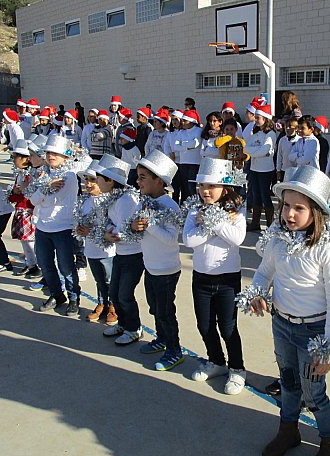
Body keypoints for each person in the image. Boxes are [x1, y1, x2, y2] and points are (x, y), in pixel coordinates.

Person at [240, 165, 330, 456]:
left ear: (317, 213)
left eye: (299, 208)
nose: (289, 214)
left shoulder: (327, 249)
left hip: (314, 332)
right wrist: (258, 293)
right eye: (286, 205)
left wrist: (329, 347)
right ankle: (288, 431)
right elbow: (264, 272)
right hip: (282, 325)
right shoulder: (278, 240)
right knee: (288, 382)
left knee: (314, 392)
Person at [183, 158, 247, 394]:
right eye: (201, 186)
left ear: (225, 188)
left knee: (228, 327)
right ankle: (217, 361)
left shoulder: (237, 210)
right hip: (201, 278)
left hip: (228, 279)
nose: (205, 191)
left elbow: (237, 238)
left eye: (211, 186)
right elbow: (189, 240)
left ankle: (238, 369)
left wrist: (209, 223)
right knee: (205, 325)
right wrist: (217, 226)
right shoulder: (193, 209)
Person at [128, 150, 184, 371]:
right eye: (138, 176)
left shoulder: (170, 206)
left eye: (143, 177)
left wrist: (148, 224)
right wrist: (134, 226)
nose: (137, 181)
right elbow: (136, 230)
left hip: (166, 270)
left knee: (165, 311)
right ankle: (162, 338)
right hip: (151, 266)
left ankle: (174, 349)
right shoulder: (144, 202)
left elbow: (171, 239)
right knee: (154, 308)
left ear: (159, 180)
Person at [29, 134, 81, 316]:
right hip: (43, 227)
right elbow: (34, 201)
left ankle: (74, 297)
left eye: (56, 154)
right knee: (45, 263)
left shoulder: (70, 176)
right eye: (49, 152)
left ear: (65, 156)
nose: (52, 156)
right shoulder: (43, 174)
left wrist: (44, 191)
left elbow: (53, 199)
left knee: (66, 266)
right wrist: (46, 188)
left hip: (63, 227)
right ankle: (57, 294)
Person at [101, 154, 145, 345]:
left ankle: (134, 328)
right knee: (115, 292)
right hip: (121, 253)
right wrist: (108, 231)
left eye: (98, 179)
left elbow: (130, 228)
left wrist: (114, 234)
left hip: (134, 254)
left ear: (110, 181)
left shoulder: (126, 200)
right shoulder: (113, 198)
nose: (95, 182)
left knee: (125, 294)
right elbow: (113, 223)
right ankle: (124, 323)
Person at [73, 160, 117, 324]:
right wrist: (79, 228)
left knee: (110, 279)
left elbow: (114, 227)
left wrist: (92, 231)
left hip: (108, 250)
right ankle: (101, 303)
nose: (89, 184)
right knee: (99, 279)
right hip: (91, 248)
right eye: (86, 180)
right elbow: (80, 221)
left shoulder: (111, 202)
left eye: (93, 180)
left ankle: (113, 306)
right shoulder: (85, 202)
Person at [7, 139, 40, 278]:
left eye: (15, 157)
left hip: (29, 210)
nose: (14, 159)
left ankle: (38, 265)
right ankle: (30, 263)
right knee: (24, 240)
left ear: (25, 158)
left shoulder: (31, 174)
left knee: (31, 241)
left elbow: (32, 193)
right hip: (21, 209)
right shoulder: (20, 173)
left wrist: (21, 191)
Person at [246, 104, 276, 231]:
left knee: (265, 196)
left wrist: (254, 152)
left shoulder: (270, 134)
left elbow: (266, 149)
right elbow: (246, 147)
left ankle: (270, 224)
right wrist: (256, 152)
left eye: (258, 118)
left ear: (265, 119)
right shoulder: (256, 133)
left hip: (266, 170)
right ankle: (255, 222)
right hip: (255, 168)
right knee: (255, 195)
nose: (256, 120)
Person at [171, 109, 202, 201]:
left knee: (191, 185)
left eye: (185, 121)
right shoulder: (181, 132)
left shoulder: (198, 130)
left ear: (192, 121)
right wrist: (187, 147)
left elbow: (195, 144)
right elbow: (175, 146)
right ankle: (184, 203)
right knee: (184, 185)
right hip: (183, 162)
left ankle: (193, 202)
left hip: (195, 162)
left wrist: (182, 144)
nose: (183, 123)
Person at [275, 117, 299, 182]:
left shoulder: (299, 140)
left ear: (296, 128)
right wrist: (278, 170)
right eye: (286, 127)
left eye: (290, 126)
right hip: (284, 170)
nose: (287, 129)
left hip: (295, 170)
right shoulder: (282, 140)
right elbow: (279, 155)